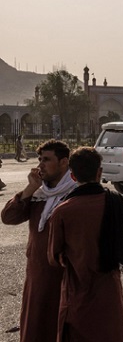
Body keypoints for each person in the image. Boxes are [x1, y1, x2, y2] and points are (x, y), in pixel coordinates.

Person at [47, 146, 123, 342]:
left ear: (73, 176)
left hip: (78, 292)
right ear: (99, 172)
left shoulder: (63, 211)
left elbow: (53, 257)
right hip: (109, 291)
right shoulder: (116, 201)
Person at [1, 140, 76, 342]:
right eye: (39, 159)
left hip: (66, 276)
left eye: (46, 160)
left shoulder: (75, 193)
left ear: (63, 162)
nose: (40, 165)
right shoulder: (38, 194)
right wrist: (29, 189)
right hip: (38, 275)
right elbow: (8, 217)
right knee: (36, 328)